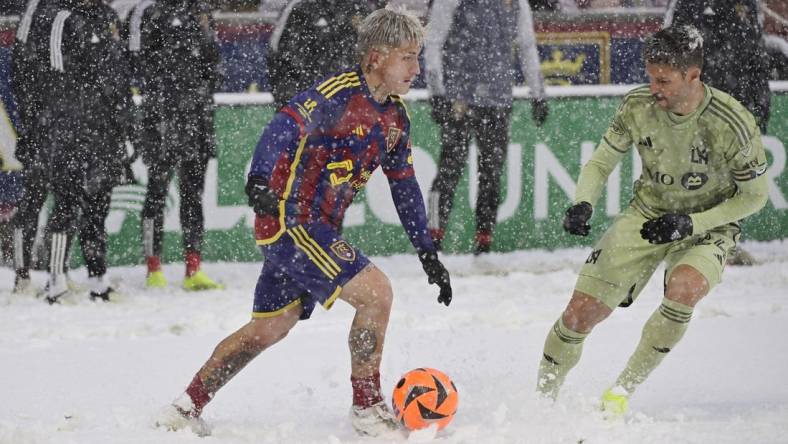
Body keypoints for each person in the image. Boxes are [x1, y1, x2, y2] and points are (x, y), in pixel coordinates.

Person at [154, 7, 453, 437]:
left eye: (417, 56)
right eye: (406, 57)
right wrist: (258, 179)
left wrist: (426, 250)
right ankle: (367, 408)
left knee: (270, 327)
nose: (416, 67)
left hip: (316, 226)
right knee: (376, 294)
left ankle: (185, 406)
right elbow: (282, 128)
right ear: (374, 58)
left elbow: (404, 185)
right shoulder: (336, 96)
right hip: (292, 220)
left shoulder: (395, 118)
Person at [535, 25, 769, 415]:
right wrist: (583, 202)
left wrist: (691, 224)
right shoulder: (637, 105)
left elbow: (755, 196)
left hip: (706, 225)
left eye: (664, 80)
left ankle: (619, 394)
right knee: (579, 312)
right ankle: (541, 403)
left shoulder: (732, 121)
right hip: (647, 213)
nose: (654, 87)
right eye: (650, 77)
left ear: (693, 76)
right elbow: (600, 162)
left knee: (685, 287)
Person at [15, 0, 132, 303]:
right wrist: (56, 124)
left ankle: (98, 278)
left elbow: (118, 71)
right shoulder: (60, 18)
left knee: (98, 204)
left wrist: (123, 121)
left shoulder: (107, 16)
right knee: (64, 200)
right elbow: (50, 77)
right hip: (69, 128)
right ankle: (53, 281)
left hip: (104, 127)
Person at [425, 0, 549, 254]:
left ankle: (484, 240)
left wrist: (539, 94)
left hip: (496, 99)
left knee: (491, 173)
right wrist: (436, 91)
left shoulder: (517, 3)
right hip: (459, 98)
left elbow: (526, 46)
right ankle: (432, 238)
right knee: (450, 170)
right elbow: (434, 39)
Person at [664, 0, 772, 266]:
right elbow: (668, 51)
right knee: (694, 174)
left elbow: (756, 51)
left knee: (733, 179)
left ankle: (722, 243)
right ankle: (690, 242)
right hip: (700, 103)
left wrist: (761, 99)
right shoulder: (686, 5)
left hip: (737, 104)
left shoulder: (747, 4)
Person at [137, 0, 222, 290]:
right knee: (156, 195)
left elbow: (212, 67)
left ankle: (193, 269)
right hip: (161, 120)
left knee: (193, 197)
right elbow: (139, 64)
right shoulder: (151, 13)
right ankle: (153, 268)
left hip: (196, 120)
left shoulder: (201, 12)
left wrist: (206, 32)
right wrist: (164, 100)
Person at [266, 0, 372, 108]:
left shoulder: (361, 8)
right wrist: (292, 103)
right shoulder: (298, 7)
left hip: (352, 109)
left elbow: (379, 58)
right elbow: (276, 58)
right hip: (308, 107)